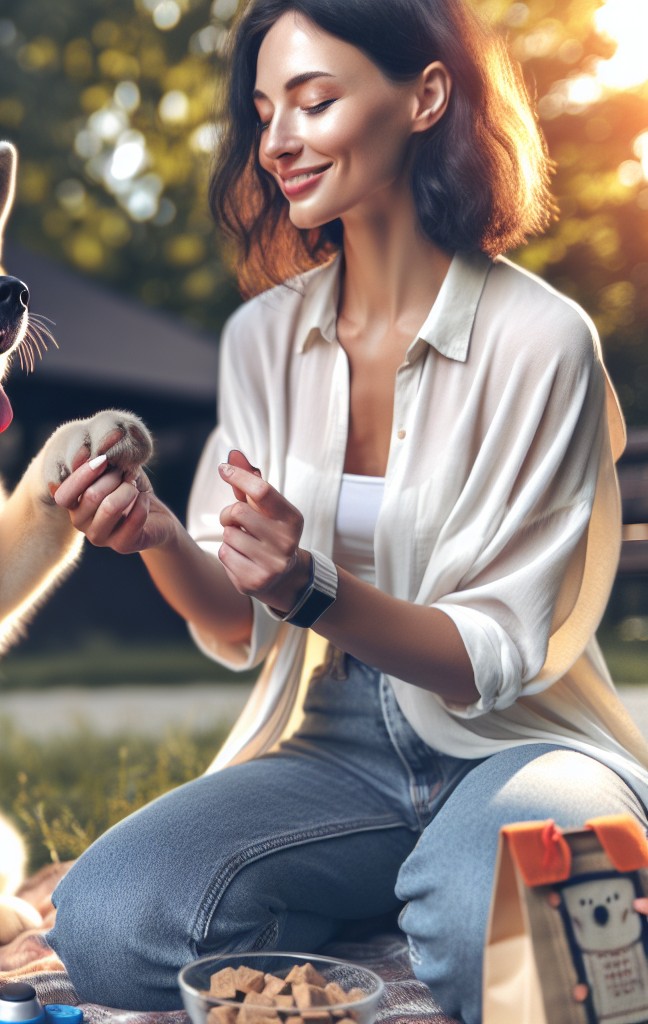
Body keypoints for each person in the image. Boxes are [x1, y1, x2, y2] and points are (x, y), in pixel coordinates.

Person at [43, 1, 648, 1021]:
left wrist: (310, 585)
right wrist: (152, 532)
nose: (277, 138)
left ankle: (515, 873)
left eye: (314, 100)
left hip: (523, 740)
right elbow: (240, 620)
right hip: (334, 751)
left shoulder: (543, 342)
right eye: (264, 108)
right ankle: (403, 893)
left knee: (525, 935)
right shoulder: (261, 340)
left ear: (424, 95)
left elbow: (496, 652)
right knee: (108, 922)